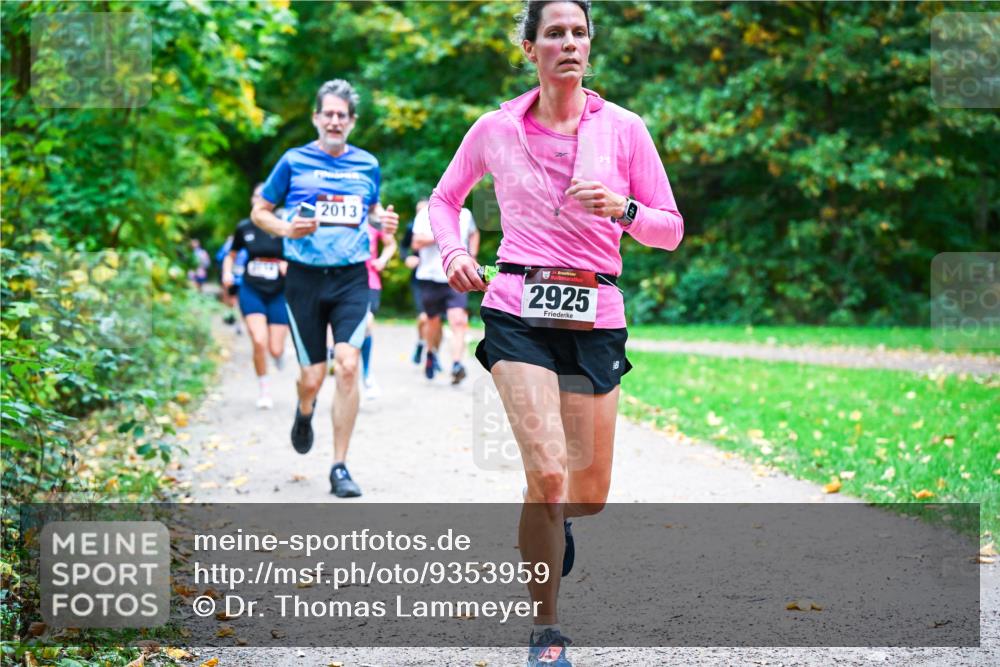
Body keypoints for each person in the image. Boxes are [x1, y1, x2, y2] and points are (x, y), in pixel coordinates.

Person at [428, 2, 683, 664]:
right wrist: (453, 251)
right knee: (546, 473)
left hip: (595, 312)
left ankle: (556, 514)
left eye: (579, 33)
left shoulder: (625, 130)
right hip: (516, 305)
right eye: (555, 33)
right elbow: (444, 199)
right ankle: (546, 631)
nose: (569, 43)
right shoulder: (495, 128)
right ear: (528, 47)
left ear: (589, 47)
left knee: (585, 494)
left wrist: (624, 210)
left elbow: (670, 228)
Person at [251, 79, 399, 498]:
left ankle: (339, 466)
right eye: (328, 113)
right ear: (316, 117)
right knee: (312, 377)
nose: (335, 121)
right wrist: (285, 227)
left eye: (342, 115)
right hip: (304, 279)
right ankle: (304, 409)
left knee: (348, 364)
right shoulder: (293, 161)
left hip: (352, 276)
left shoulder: (367, 165)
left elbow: (369, 213)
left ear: (351, 122)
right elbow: (260, 210)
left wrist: (380, 223)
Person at [223, 183, 289, 409]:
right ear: (252, 200)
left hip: (279, 292)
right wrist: (226, 273)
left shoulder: (283, 227)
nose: (259, 199)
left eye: (264, 196)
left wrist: (287, 264)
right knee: (259, 340)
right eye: (255, 195)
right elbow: (230, 256)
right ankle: (264, 390)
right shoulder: (244, 227)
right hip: (252, 290)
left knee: (275, 348)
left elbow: (298, 255)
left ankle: (279, 355)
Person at [412, 200, 478, 384]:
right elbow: (416, 242)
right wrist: (443, 236)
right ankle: (431, 353)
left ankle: (457, 364)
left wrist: (472, 255)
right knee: (433, 322)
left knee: (458, 320)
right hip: (430, 277)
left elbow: (473, 234)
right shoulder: (425, 213)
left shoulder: (465, 214)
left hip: (457, 274)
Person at [360, 216, 397, 398]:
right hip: (339, 280)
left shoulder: (373, 220)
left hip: (369, 281)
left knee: (367, 323)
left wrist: (382, 259)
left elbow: (391, 244)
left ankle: (367, 375)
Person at [401, 203, 430, 366]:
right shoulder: (412, 227)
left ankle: (432, 353)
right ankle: (421, 343)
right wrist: (407, 258)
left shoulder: (441, 226)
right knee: (424, 317)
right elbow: (403, 246)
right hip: (418, 277)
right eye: (419, 211)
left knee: (435, 320)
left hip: (439, 278)